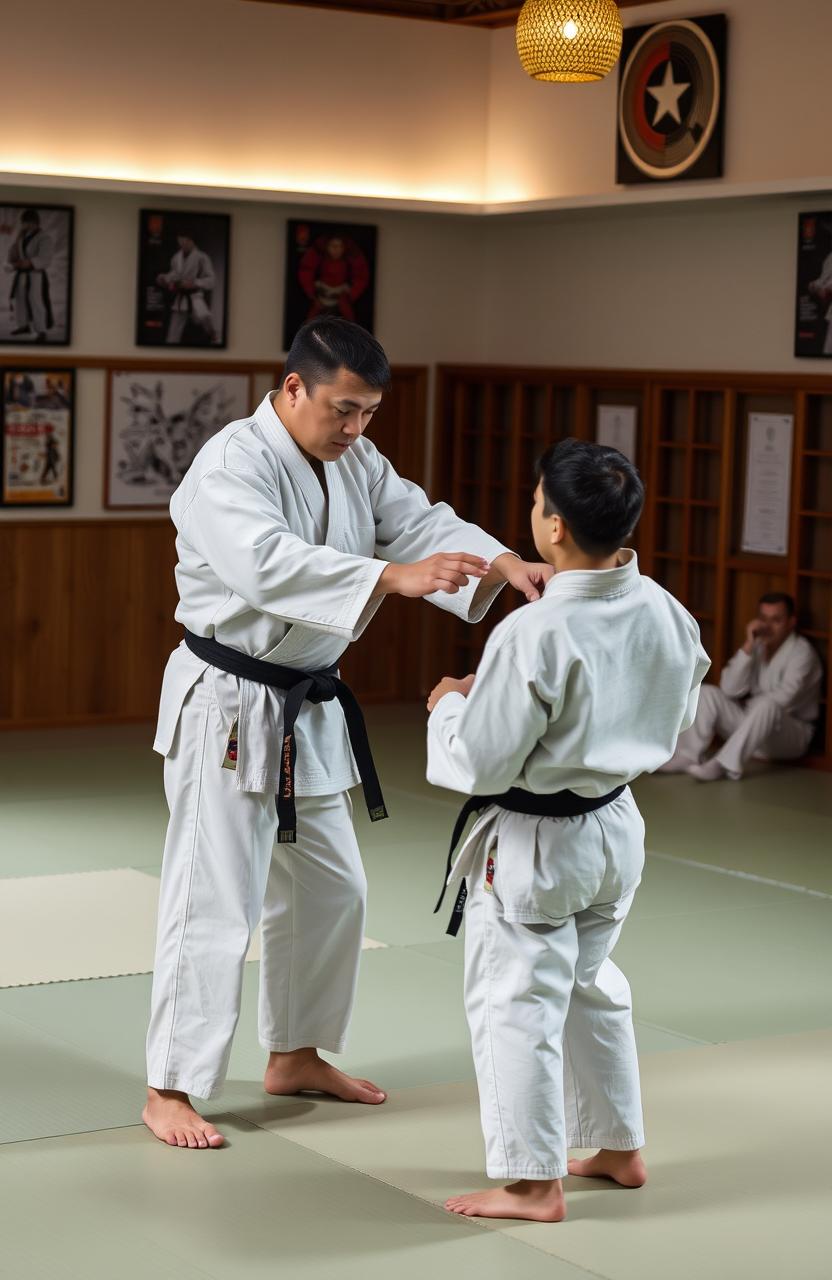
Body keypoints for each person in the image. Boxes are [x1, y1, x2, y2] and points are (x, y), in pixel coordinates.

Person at [143, 316, 552, 1150]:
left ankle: (294, 1051)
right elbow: (265, 562)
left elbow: (419, 520)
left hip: (307, 707)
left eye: (369, 413)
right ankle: (170, 1086)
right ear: (293, 388)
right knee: (213, 897)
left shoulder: (354, 459)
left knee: (335, 890)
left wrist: (504, 562)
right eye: (344, 409)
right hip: (229, 699)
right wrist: (389, 579)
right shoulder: (230, 463)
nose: (358, 428)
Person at [426, 438, 709, 1223]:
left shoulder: (536, 631)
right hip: (616, 826)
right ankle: (618, 1146)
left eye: (536, 501)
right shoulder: (666, 608)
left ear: (552, 526)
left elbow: (483, 762)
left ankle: (530, 1183)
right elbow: (680, 712)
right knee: (589, 983)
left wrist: (449, 704)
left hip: (538, 845)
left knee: (515, 1001)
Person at [658, 593, 822, 781]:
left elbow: (785, 700)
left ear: (791, 622)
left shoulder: (803, 654)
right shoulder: (758, 646)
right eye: (763, 619)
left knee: (767, 705)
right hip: (753, 730)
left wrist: (752, 710)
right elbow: (729, 688)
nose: (767, 626)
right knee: (708, 693)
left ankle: (723, 764)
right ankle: (687, 756)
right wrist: (748, 646)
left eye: (776, 620)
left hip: (790, 736)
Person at [156, 231, 218, 345]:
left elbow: (211, 281)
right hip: (181, 298)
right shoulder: (176, 257)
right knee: (173, 334)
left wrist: (194, 283)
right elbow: (174, 274)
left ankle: (213, 333)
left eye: (185, 241)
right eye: (180, 241)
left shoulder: (202, 257)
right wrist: (164, 278)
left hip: (195, 296)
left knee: (205, 318)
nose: (182, 244)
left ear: (191, 240)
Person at [6, 208, 54, 342]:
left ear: (35, 223)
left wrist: (30, 262)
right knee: (20, 300)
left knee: (36, 301)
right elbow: (14, 254)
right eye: (25, 223)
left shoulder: (44, 237)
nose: (26, 225)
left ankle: (41, 330)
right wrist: (17, 241)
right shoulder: (22, 236)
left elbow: (46, 258)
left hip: (35, 274)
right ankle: (23, 325)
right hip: (22, 274)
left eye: (28, 223)